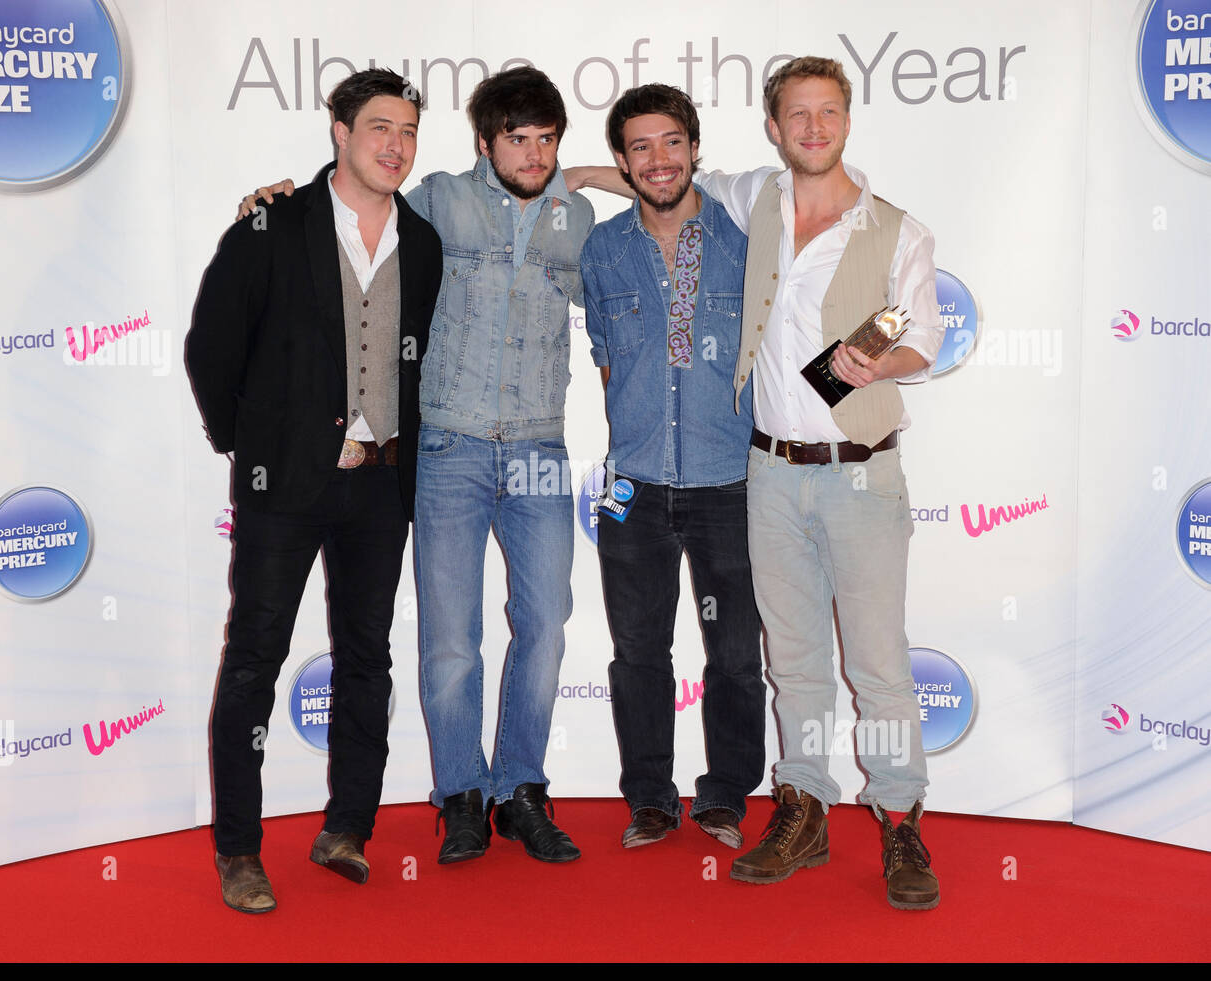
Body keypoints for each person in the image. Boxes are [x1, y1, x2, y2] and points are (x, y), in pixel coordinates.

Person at [240, 67, 594, 865]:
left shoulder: (579, 218)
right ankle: (461, 795)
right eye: (517, 138)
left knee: (543, 627)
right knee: (450, 642)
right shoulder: (435, 198)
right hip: (448, 446)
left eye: (547, 141)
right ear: (483, 141)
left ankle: (522, 790)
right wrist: (273, 204)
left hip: (540, 445)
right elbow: (347, 208)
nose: (533, 155)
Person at [187, 68, 442, 912]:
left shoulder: (425, 241)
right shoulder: (271, 224)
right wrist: (251, 443)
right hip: (282, 487)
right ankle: (239, 851)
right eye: (378, 128)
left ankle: (347, 828)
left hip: (381, 488)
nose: (395, 145)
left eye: (406, 130)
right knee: (255, 658)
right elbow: (212, 349)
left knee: (368, 656)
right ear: (338, 131)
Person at [700, 56, 943, 908]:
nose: (812, 127)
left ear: (847, 120)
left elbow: (927, 340)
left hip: (861, 478)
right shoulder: (756, 196)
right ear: (774, 126)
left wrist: (878, 361)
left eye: (827, 112)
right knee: (794, 660)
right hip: (769, 472)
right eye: (796, 114)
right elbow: (659, 177)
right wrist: (582, 175)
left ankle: (901, 817)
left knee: (876, 663)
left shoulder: (897, 229)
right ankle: (802, 805)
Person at [578, 85, 764, 851]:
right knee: (638, 650)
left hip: (730, 480)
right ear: (623, 161)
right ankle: (650, 797)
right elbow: (604, 360)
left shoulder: (743, 240)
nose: (660, 160)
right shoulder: (603, 249)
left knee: (733, 654)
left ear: (695, 148)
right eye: (642, 147)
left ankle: (725, 796)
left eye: (673, 142)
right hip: (633, 483)